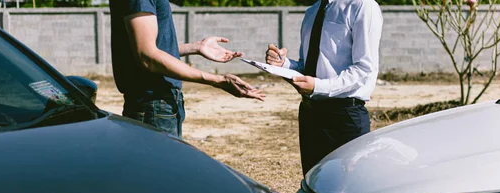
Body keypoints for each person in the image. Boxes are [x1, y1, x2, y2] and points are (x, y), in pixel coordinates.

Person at [109, 0, 264, 138]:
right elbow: (147, 56)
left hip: (159, 103)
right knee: (160, 169)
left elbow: (152, 49)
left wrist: (196, 47)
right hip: (152, 104)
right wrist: (217, 79)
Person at [265, 0, 383, 175]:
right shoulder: (312, 12)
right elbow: (309, 67)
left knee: (347, 191)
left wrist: (318, 86)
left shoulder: (362, 6)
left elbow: (364, 68)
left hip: (344, 117)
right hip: (310, 114)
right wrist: (283, 64)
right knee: (315, 186)